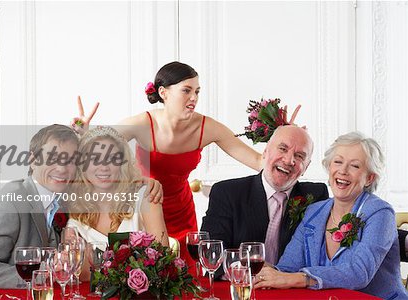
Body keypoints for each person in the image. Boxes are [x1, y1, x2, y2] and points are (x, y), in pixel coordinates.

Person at [73, 61, 300, 263]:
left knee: (182, 277)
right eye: (187, 90)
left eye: (197, 92)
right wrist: (81, 133)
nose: (194, 98)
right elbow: (97, 150)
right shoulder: (142, 123)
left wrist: (284, 136)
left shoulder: (208, 127)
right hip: (144, 208)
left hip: (181, 213)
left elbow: (258, 161)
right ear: (163, 93)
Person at [255, 132, 407, 299]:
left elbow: (359, 272)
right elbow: (288, 268)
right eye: (338, 162)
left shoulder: (380, 213)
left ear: (369, 178)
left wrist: (299, 279)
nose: (342, 171)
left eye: (354, 166)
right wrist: (269, 273)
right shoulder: (314, 212)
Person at [200, 125, 329, 275]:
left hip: (291, 289)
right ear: (266, 151)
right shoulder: (227, 193)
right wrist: (248, 270)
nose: (289, 160)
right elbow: (212, 254)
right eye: (282, 149)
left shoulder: (315, 196)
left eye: (299, 156)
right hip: (242, 287)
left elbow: (320, 256)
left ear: (306, 167)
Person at [0, 124, 78, 289]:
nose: (61, 168)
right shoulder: (11, 200)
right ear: (32, 161)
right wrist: (43, 273)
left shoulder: (62, 200)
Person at [66, 126, 169, 281]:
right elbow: (78, 275)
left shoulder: (146, 196)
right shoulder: (73, 210)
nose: (104, 167)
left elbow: (165, 264)